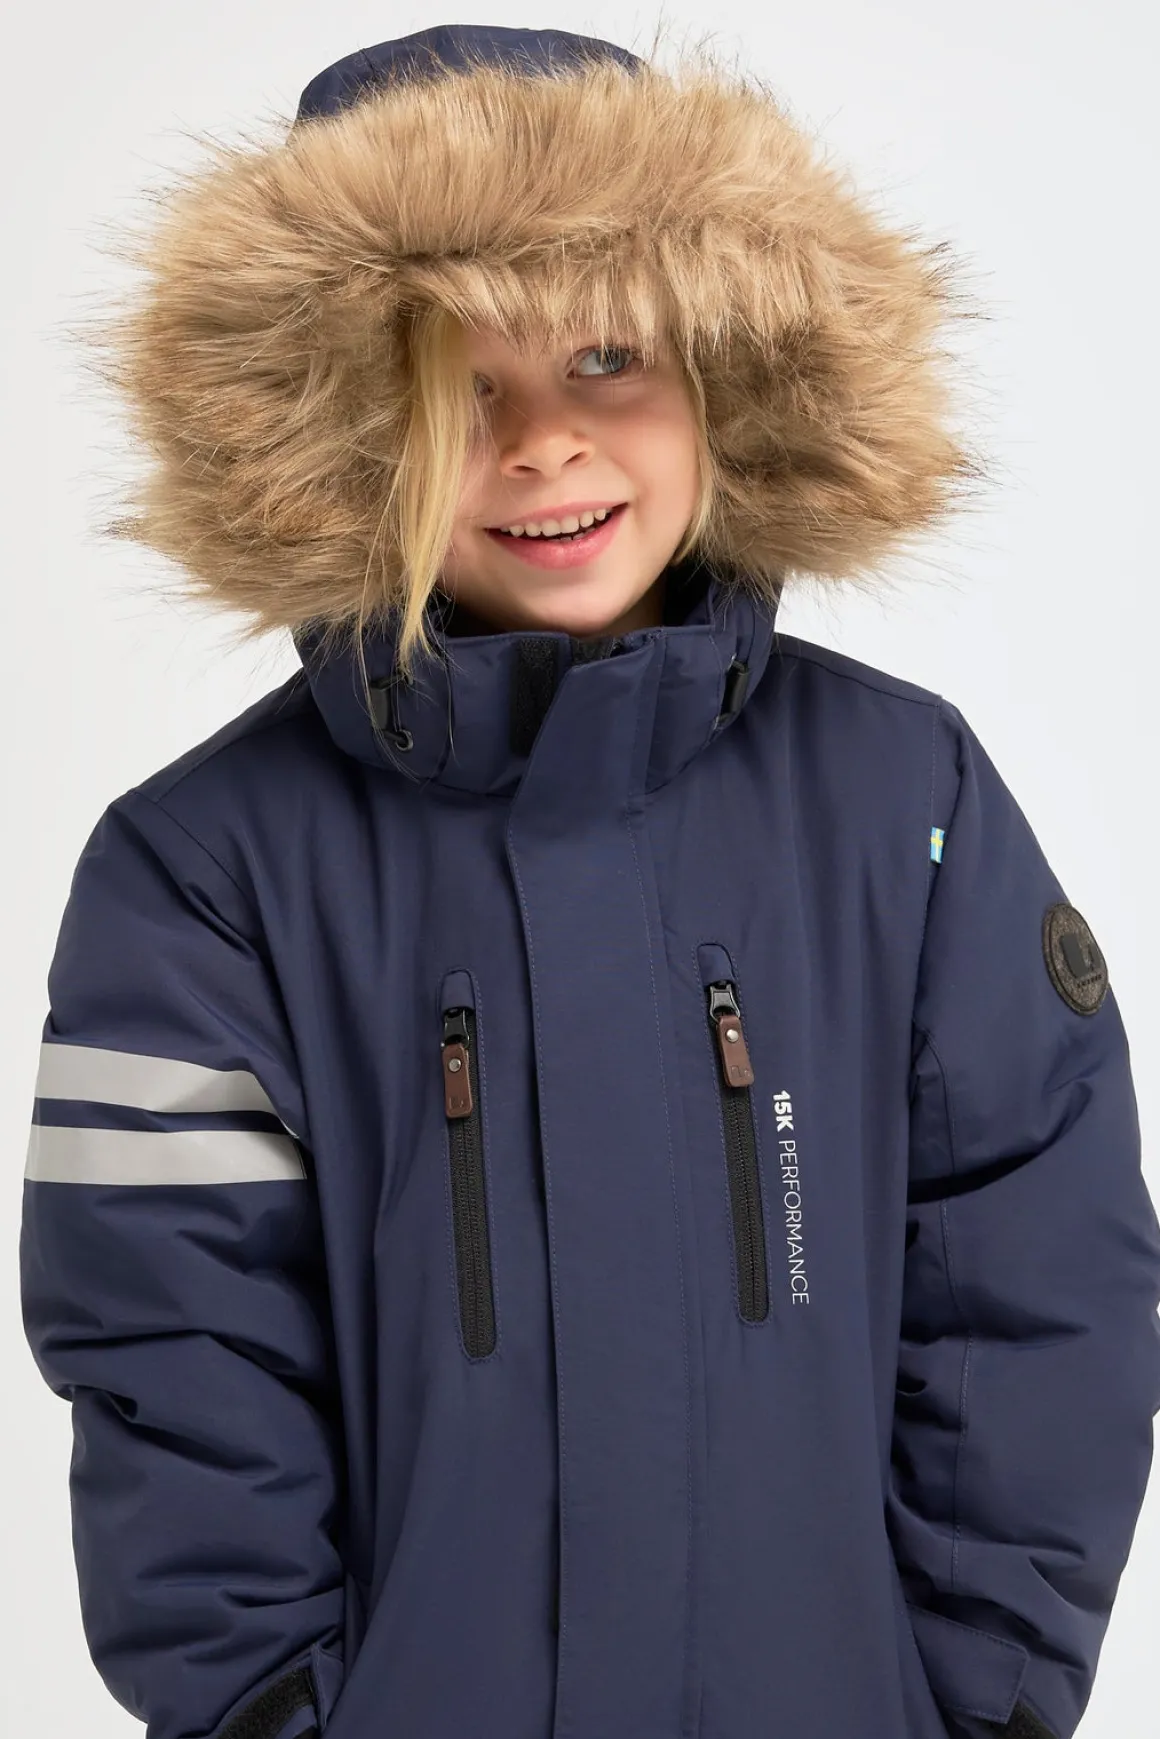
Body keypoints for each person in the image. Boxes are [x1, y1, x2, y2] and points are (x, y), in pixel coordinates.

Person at [18, 22, 1160, 1739]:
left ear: (728, 370)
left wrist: (978, 1698)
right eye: (460, 386)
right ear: (346, 435)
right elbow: (174, 1357)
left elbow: (1040, 1278)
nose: (546, 445)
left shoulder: (900, 799)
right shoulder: (207, 870)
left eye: (608, 356)